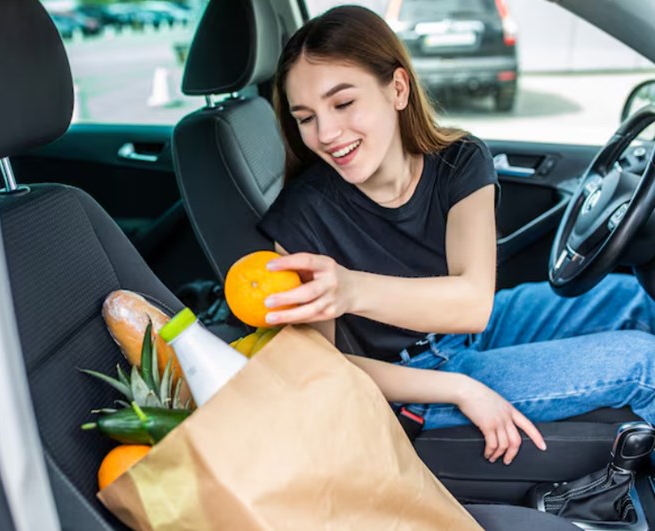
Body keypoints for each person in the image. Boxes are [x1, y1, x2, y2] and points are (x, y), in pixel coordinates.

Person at [257, 5, 655, 466]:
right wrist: (457, 388)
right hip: (405, 380)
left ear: (398, 89)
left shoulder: (460, 161)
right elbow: (322, 368)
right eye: (305, 117)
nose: (326, 133)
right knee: (645, 364)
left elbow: (472, 304)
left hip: (467, 336)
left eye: (343, 103)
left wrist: (348, 290)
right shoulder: (301, 217)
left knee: (634, 298)